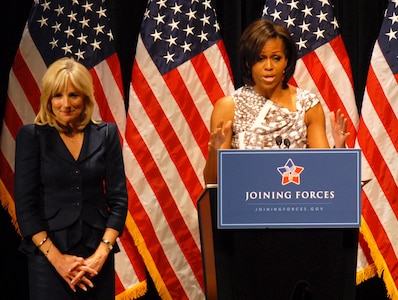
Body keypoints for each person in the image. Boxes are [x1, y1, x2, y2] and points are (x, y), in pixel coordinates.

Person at [14, 57, 128, 299]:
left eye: (73, 95)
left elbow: (118, 202)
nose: (65, 104)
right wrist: (59, 261)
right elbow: (26, 208)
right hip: (48, 258)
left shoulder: (107, 134)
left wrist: (100, 256)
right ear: (48, 99)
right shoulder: (32, 136)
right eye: (58, 96)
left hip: (96, 258)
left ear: (85, 97)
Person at [204, 19, 349, 184]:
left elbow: (323, 174)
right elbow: (213, 184)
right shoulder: (228, 107)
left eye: (276, 58)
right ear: (248, 62)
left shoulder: (307, 105)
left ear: (286, 61)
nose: (269, 66)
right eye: (260, 58)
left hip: (295, 202)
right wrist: (213, 152)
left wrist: (339, 150)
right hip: (247, 204)